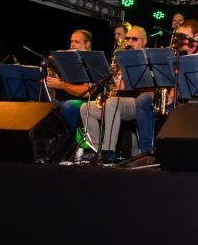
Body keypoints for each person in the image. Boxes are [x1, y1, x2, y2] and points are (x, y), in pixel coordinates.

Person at [79, 26, 155, 163]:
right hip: (116, 102)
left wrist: (128, 85)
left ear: (144, 42)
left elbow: (152, 91)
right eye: (127, 38)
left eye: (134, 39)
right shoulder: (122, 58)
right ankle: (97, 150)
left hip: (137, 103)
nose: (129, 41)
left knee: (112, 103)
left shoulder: (148, 59)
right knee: (86, 108)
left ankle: (109, 152)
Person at [46, 29, 94, 131]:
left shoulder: (92, 63)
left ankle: (65, 139)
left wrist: (60, 85)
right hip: (60, 101)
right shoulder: (67, 61)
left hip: (83, 103)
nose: (72, 44)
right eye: (71, 41)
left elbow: (86, 92)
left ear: (87, 44)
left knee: (69, 105)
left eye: (77, 42)